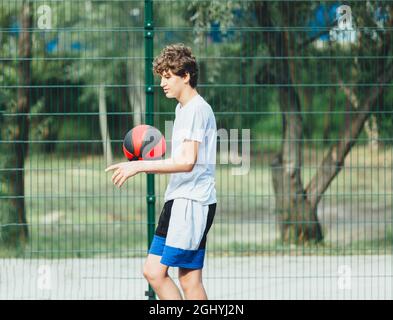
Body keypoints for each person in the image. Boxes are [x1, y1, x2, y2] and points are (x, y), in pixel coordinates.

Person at [105, 43, 217, 300]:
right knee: (153, 272)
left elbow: (187, 161)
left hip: (192, 202)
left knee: (189, 280)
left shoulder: (197, 110)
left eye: (168, 76)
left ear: (185, 75)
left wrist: (139, 165)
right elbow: (183, 158)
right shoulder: (183, 109)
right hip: (179, 200)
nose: (163, 83)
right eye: (161, 77)